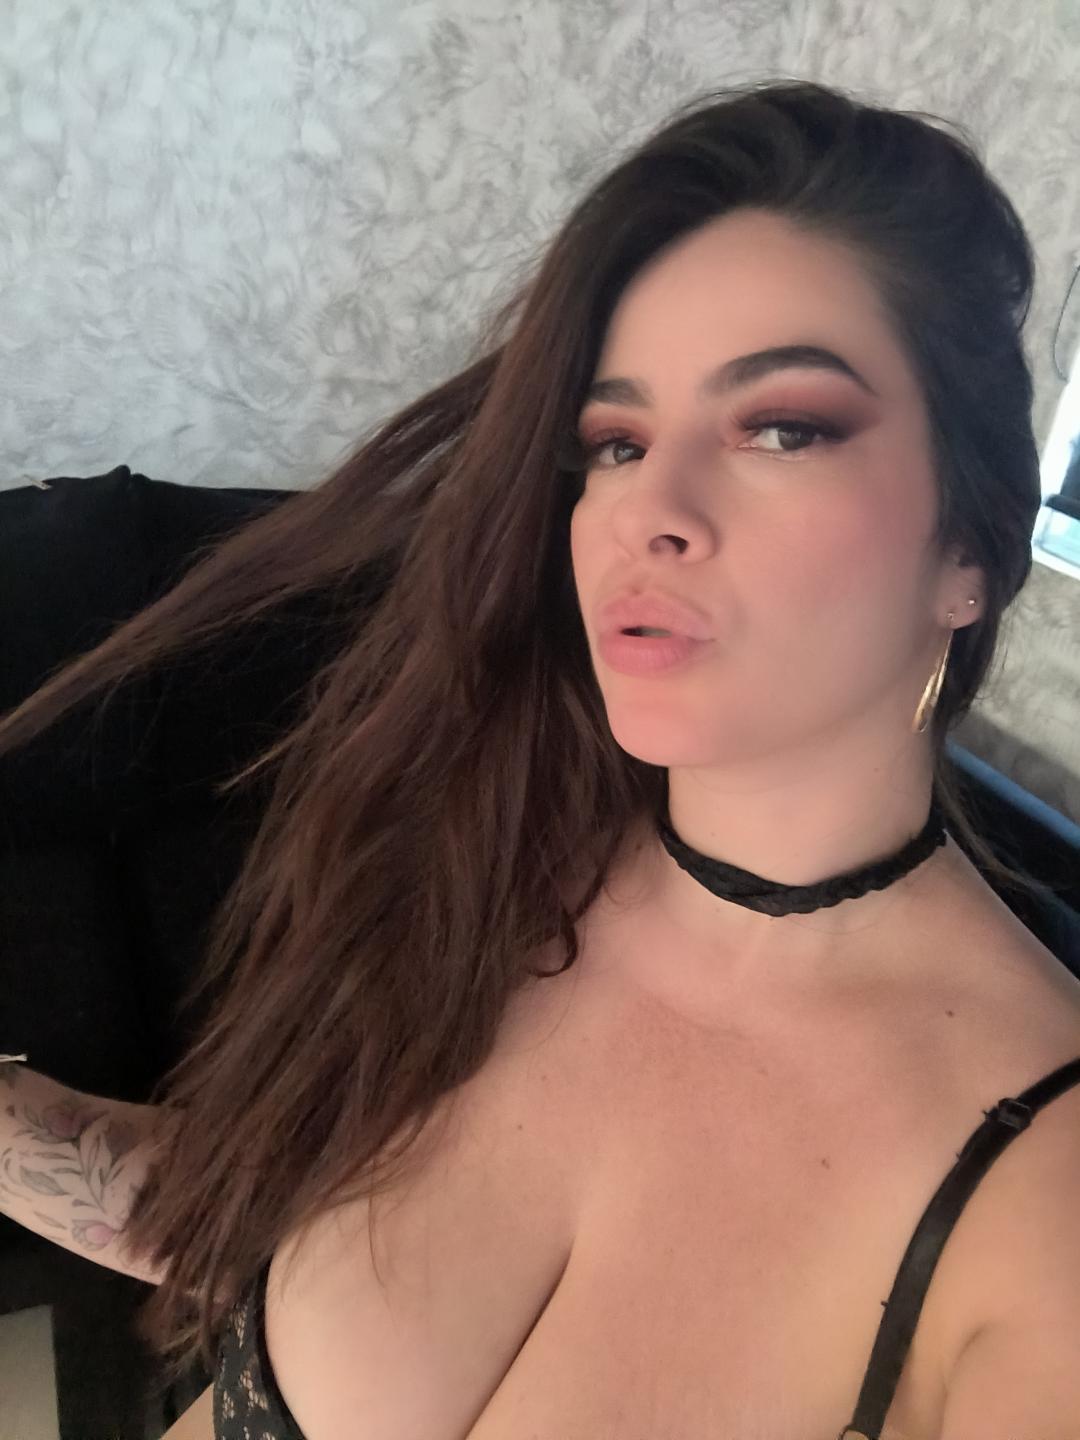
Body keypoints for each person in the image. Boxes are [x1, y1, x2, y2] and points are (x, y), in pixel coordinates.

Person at [2, 77, 1080, 1440]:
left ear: (970, 547)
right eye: (614, 444)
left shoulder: (1040, 1197)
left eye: (782, 427)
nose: (650, 510)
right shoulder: (502, 855)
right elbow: (259, 1238)